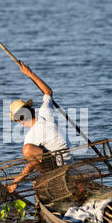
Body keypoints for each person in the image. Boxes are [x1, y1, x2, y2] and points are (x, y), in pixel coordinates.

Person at [7, 61, 72, 193]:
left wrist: (15, 182)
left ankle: (49, 177)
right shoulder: (44, 112)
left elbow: (31, 163)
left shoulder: (31, 138)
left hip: (61, 164)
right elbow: (48, 91)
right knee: (32, 153)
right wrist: (30, 73)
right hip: (67, 159)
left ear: (20, 120)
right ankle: (48, 176)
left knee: (27, 150)